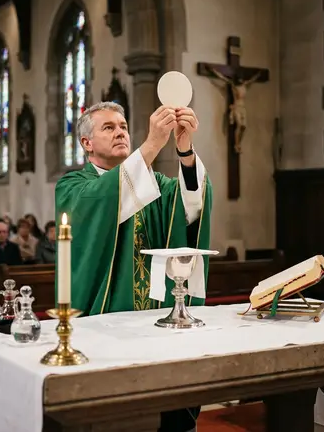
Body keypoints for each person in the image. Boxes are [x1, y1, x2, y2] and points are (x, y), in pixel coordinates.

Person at [55, 101, 212, 432]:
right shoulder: (72, 187)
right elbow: (100, 199)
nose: (120, 132)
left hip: (157, 318)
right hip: (106, 321)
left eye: (123, 126)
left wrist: (184, 151)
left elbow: (191, 205)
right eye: (108, 128)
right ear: (86, 143)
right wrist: (154, 142)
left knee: (171, 410)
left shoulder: (153, 183)